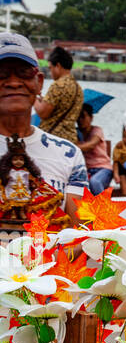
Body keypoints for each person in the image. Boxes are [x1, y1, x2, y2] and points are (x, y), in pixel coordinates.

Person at [0, 31, 88, 229]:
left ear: (39, 83)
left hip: (52, 258)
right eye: (2, 74)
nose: (14, 82)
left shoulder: (70, 155)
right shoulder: (76, 87)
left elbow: (79, 233)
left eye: (23, 73)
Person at [33, 46, 83, 143]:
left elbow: (43, 113)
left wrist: (33, 98)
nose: (50, 72)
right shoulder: (77, 88)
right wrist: (42, 101)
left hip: (54, 139)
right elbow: (59, 108)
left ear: (58, 66)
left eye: (51, 68)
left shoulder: (58, 85)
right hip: (71, 139)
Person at [76, 103, 113, 193]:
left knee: (94, 182)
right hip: (86, 170)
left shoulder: (97, 130)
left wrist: (75, 146)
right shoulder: (75, 133)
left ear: (91, 117)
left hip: (103, 169)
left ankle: (102, 206)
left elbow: (91, 145)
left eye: (83, 116)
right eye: (78, 117)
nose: (80, 120)